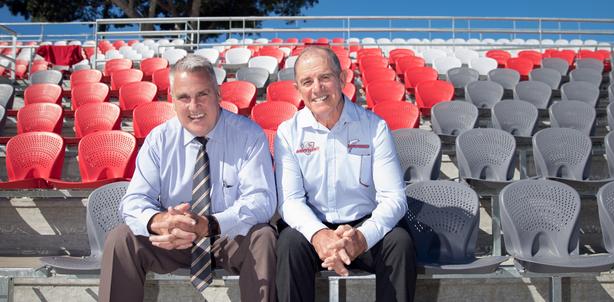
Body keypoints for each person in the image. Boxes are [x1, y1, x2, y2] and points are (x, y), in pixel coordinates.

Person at [99, 55, 277, 302]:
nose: (194, 106)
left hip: (229, 238)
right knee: (121, 238)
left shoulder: (248, 135)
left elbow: (262, 201)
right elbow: (134, 200)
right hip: (174, 241)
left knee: (264, 236)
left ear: (218, 94)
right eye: (184, 97)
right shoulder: (159, 139)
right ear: (173, 100)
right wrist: (159, 221)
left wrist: (210, 224)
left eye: (202, 94)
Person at [274, 46, 416, 302]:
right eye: (307, 81)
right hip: (313, 227)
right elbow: (290, 201)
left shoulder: (374, 127)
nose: (317, 88)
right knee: (288, 244)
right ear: (298, 89)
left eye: (325, 77)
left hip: (365, 225)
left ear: (341, 79)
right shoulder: (288, 132)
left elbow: (394, 198)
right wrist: (319, 235)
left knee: (400, 243)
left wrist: (361, 238)